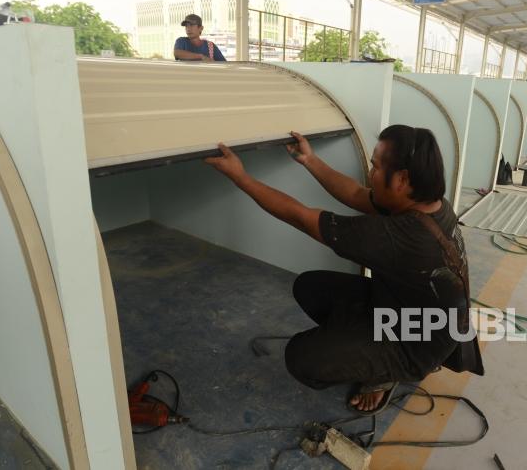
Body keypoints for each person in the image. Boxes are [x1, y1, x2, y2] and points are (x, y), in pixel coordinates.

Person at [204, 126, 483, 414]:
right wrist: (310, 160)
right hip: (416, 318)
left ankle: (385, 373)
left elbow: (299, 216)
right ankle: (362, 346)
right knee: (310, 287)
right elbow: (355, 194)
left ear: (402, 179)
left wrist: (240, 177)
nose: (371, 174)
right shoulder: (429, 205)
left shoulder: (398, 236)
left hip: (416, 346)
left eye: (376, 166)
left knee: (302, 358)